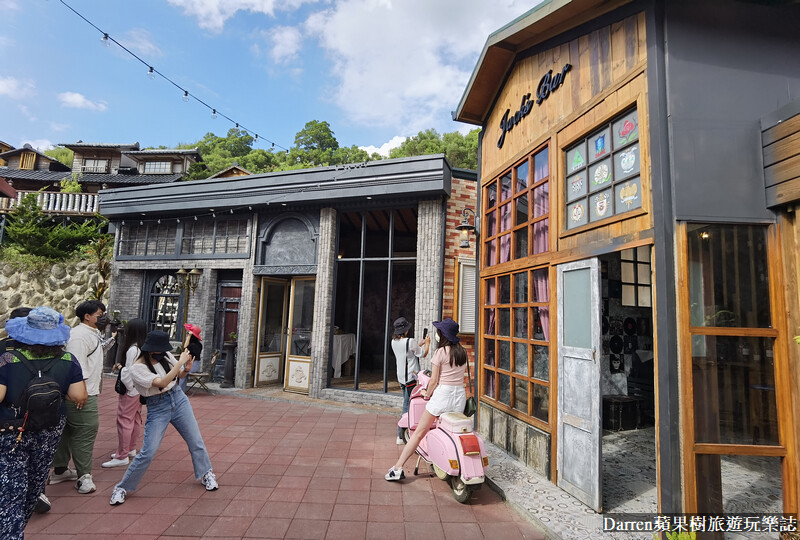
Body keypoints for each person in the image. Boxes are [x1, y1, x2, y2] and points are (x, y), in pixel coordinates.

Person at [0, 307, 87, 539]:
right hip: (49, 431)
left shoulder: (7, 359)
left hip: (13, 431)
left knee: (10, 492)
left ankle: (10, 532)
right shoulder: (68, 359)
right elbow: (79, 397)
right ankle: (15, 530)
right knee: (33, 486)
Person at [109, 330, 218, 506]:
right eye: (157, 350)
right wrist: (180, 364)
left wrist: (186, 369)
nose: (161, 353)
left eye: (162, 349)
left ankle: (206, 473)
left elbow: (178, 376)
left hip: (178, 399)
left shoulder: (165, 355)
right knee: (148, 452)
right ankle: (122, 487)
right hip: (157, 406)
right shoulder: (137, 367)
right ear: (148, 349)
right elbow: (161, 382)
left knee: (195, 441)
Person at [385, 318, 467, 481]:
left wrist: (426, 394)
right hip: (459, 396)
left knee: (419, 433)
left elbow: (434, 381)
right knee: (451, 431)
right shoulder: (462, 351)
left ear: (442, 335)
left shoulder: (440, 352)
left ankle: (398, 468)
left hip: (442, 396)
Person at [50, 300, 116, 494]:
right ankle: (84, 476)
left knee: (68, 431)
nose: (103, 317)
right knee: (86, 430)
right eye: (99, 314)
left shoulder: (89, 334)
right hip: (80, 393)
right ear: (87, 316)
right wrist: (80, 393)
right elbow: (75, 367)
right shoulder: (79, 336)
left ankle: (60, 470)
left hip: (80, 391)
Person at [103, 318, 147, 468]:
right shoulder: (143, 347)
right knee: (135, 419)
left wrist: (128, 388)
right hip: (140, 389)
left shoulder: (133, 349)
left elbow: (128, 371)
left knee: (124, 420)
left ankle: (122, 454)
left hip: (131, 390)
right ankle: (130, 448)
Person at [391, 316, 429, 444]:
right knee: (407, 405)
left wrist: (420, 344)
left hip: (401, 377)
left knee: (407, 402)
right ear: (405, 331)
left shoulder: (394, 342)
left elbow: (408, 351)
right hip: (411, 377)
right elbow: (422, 354)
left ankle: (405, 431)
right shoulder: (410, 341)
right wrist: (427, 343)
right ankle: (401, 435)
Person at [177, 323, 203, 393]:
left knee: (182, 372)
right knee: (180, 370)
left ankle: (180, 391)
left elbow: (185, 347)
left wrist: (189, 336)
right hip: (196, 365)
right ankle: (180, 389)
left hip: (192, 365)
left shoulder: (192, 345)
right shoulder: (199, 344)